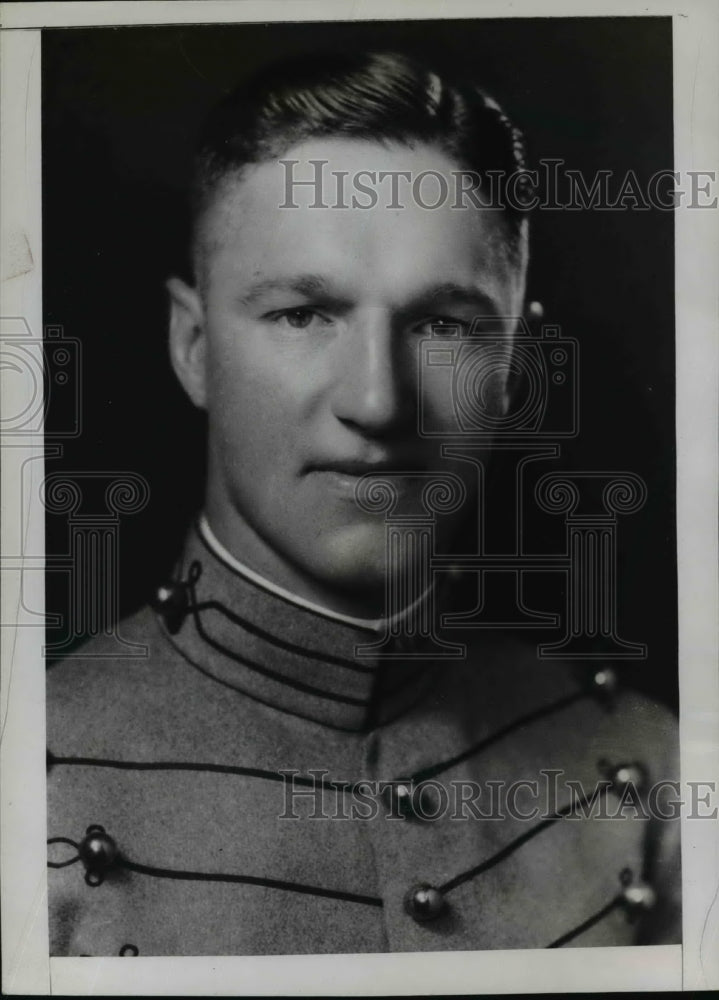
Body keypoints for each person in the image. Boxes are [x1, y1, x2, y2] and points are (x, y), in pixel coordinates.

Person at [46, 49, 680, 956]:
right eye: (303, 315)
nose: (378, 402)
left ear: (519, 367)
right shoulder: (32, 791)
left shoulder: (646, 773)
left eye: (443, 326)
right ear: (193, 347)